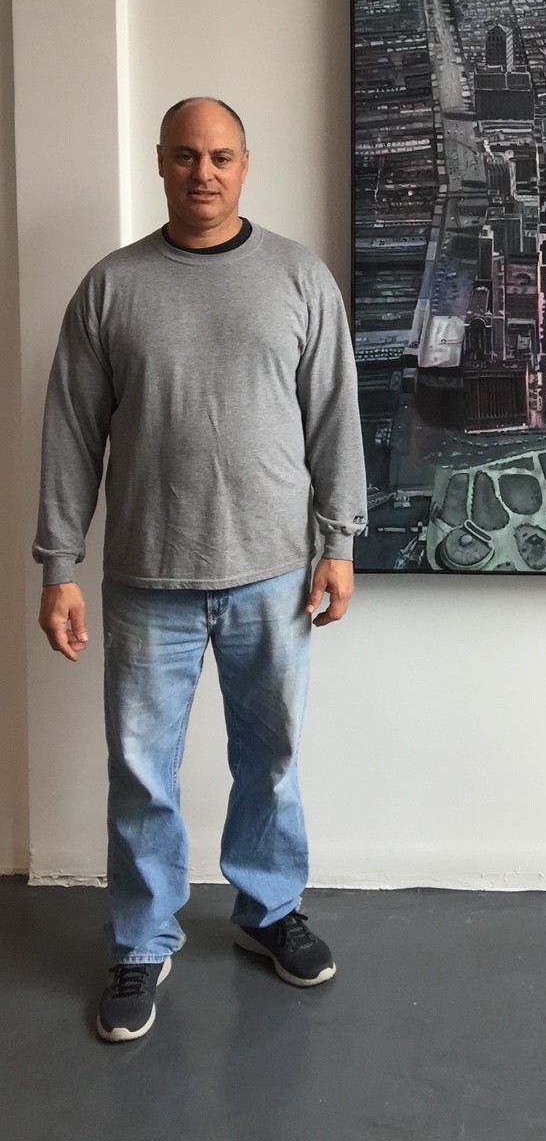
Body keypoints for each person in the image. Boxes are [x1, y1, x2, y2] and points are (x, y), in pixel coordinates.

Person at [34, 96, 367, 1043]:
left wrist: (340, 542)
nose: (204, 173)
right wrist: (58, 565)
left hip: (273, 573)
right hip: (147, 578)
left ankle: (268, 910)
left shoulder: (299, 278)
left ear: (245, 165)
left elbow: (335, 417)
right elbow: (70, 435)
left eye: (220, 156)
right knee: (142, 775)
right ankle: (142, 942)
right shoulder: (111, 287)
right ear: (160, 163)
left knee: (272, 760)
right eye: (186, 156)